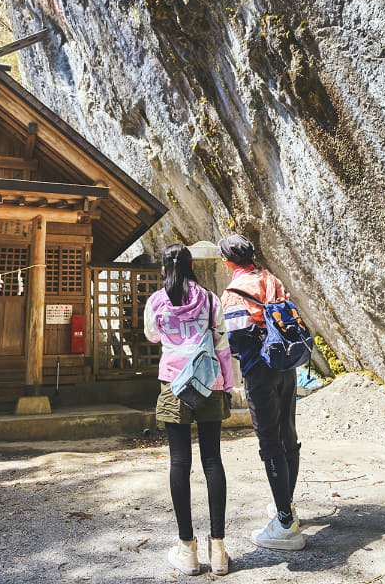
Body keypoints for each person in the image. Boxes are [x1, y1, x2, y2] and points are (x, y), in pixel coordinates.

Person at [144, 244, 235, 575]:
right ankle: (220, 551)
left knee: (179, 462)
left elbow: (152, 336)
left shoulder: (156, 301)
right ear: (192, 265)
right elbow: (222, 344)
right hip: (208, 381)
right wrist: (227, 384)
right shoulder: (210, 299)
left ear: (164, 269)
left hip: (173, 384)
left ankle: (187, 550)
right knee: (212, 460)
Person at [219, 233, 306, 550]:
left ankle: (285, 524)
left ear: (227, 261)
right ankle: (288, 507)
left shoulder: (234, 293)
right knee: (288, 436)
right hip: (287, 366)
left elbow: (238, 340)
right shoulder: (272, 279)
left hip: (260, 373)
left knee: (269, 443)